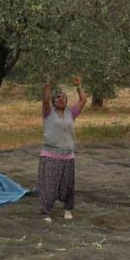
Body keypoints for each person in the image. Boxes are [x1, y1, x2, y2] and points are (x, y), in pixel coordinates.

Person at [38, 76, 88, 223]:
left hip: (68, 155)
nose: (60, 98)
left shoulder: (70, 113)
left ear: (66, 101)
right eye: (58, 97)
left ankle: (67, 209)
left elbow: (83, 100)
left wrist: (78, 85)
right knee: (49, 185)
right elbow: (45, 99)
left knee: (68, 185)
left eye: (63, 97)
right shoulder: (48, 113)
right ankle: (46, 212)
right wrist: (48, 83)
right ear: (54, 101)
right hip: (50, 154)